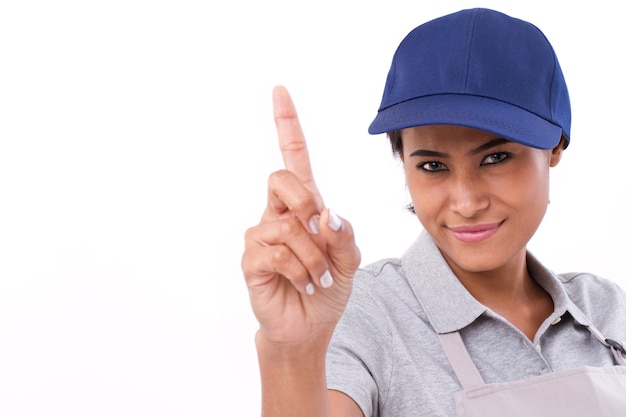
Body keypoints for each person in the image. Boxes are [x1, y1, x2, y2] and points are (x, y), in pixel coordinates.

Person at [241, 8, 626, 417]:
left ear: (555, 147)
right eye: (432, 166)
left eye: (495, 158)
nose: (466, 202)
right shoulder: (361, 314)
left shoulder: (604, 311)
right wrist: (295, 355)